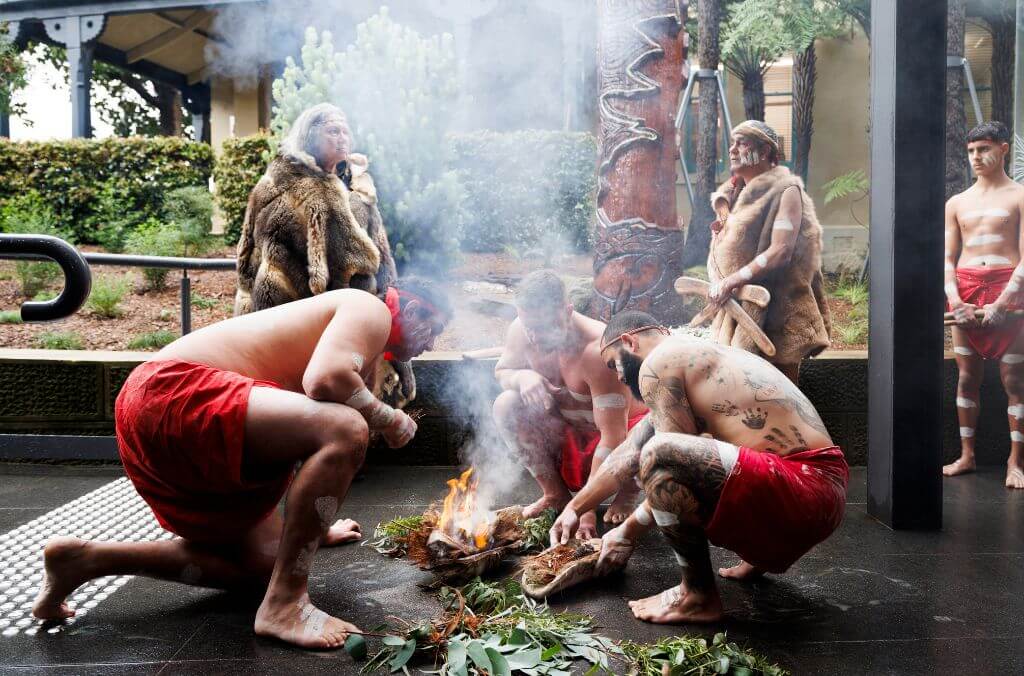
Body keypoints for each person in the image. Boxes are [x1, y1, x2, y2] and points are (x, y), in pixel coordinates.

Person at [32, 280, 452, 650]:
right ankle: (287, 604)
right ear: (412, 308)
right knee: (348, 428)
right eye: (434, 330)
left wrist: (312, 530)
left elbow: (305, 438)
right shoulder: (370, 308)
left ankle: (85, 561)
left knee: (263, 568)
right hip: (173, 392)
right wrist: (389, 417)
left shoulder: (369, 351)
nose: (431, 344)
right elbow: (324, 381)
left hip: (166, 420)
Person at [550, 310, 848, 624]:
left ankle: (696, 595)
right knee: (652, 445)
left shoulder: (658, 363)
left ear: (629, 341)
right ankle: (758, 555)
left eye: (614, 364)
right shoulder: (692, 357)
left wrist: (626, 533)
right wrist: (574, 506)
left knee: (660, 455)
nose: (619, 377)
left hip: (805, 489)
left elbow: (663, 460)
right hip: (821, 495)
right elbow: (627, 452)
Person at [493, 271, 648, 536]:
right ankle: (554, 494)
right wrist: (522, 376)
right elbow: (502, 370)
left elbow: (614, 438)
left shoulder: (598, 350)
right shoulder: (521, 329)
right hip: (568, 432)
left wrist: (585, 510)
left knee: (648, 436)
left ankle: (628, 491)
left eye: (543, 327)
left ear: (567, 311)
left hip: (619, 442)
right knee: (506, 404)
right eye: (528, 325)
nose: (533, 337)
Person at [234, 102, 397, 315]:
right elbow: (249, 251)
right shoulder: (278, 183)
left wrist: (389, 296)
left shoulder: (358, 186)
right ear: (310, 136)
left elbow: (380, 249)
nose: (342, 138)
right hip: (288, 310)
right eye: (333, 131)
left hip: (352, 315)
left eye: (345, 132)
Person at [703, 120, 831, 383]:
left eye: (742, 143)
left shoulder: (786, 190)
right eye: (732, 143)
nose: (733, 149)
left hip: (775, 318)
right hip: (738, 313)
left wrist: (732, 281)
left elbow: (780, 251)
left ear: (764, 151)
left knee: (777, 397)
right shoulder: (736, 195)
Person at [943, 120, 1024, 489]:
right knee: (966, 377)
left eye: (985, 149)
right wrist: (956, 300)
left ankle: (1015, 460)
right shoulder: (957, 202)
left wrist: (1005, 299)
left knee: (1014, 380)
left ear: (1003, 149)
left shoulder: (1019, 196)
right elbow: (947, 258)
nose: (977, 157)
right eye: (972, 151)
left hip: (1009, 290)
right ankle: (967, 454)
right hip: (966, 291)